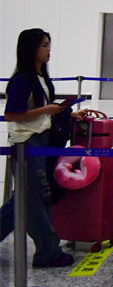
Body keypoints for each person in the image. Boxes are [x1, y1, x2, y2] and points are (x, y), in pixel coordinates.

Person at [0, 29, 86, 267]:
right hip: (27, 144)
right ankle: (48, 251)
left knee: (25, 199)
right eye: (45, 45)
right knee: (36, 199)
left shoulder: (41, 78)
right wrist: (45, 110)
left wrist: (67, 113)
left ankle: (47, 249)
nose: (49, 50)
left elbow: (43, 111)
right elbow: (11, 115)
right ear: (31, 49)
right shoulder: (21, 79)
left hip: (42, 142)